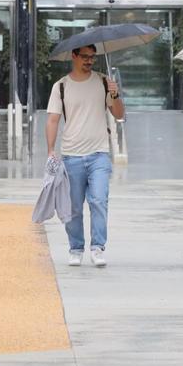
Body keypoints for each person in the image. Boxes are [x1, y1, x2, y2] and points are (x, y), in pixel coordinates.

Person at [45, 44, 124, 268]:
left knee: (99, 201)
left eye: (92, 57)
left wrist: (115, 94)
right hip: (71, 155)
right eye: (85, 57)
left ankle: (98, 247)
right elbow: (52, 120)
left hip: (99, 154)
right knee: (74, 207)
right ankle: (76, 247)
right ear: (74, 56)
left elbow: (119, 115)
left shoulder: (103, 82)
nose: (89, 61)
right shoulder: (61, 86)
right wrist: (51, 151)